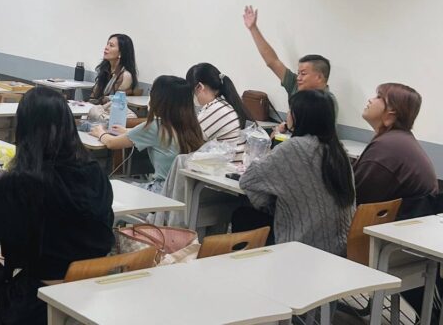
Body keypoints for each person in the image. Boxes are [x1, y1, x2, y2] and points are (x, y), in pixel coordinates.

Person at [0, 87, 114, 325]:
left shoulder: (24, 183)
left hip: (35, 307)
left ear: (23, 130)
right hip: (86, 301)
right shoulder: (96, 174)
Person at [237, 90, 355, 255]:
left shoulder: (293, 148)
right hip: (341, 247)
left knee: (242, 215)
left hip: (304, 245)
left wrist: (273, 204)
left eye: (290, 110)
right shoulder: (339, 151)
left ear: (298, 116)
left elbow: (248, 180)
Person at [89, 75, 204, 194]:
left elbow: (112, 143)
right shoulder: (193, 126)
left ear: (159, 98)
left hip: (161, 191)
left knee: (108, 186)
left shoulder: (156, 126)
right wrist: (127, 132)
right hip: (184, 192)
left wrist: (100, 132)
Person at [242, 5, 338, 119]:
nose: (298, 78)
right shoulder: (296, 86)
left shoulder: (327, 102)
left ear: (319, 77)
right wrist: (253, 28)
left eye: (303, 73)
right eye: (298, 73)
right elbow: (273, 62)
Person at [355, 83, 437, 205]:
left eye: (379, 97)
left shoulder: (387, 146)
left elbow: (355, 198)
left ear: (392, 112)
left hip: (401, 215)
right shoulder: (399, 140)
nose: (370, 100)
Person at [186, 63, 251, 160]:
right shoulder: (223, 103)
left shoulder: (215, 110)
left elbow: (190, 144)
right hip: (235, 165)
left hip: (230, 167)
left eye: (191, 91)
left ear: (199, 87)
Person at [88, 33, 138, 104]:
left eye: (111, 45)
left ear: (121, 53)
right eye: (107, 44)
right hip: (97, 107)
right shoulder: (105, 69)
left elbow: (116, 102)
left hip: (109, 109)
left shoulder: (125, 76)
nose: (106, 47)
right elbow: (94, 95)